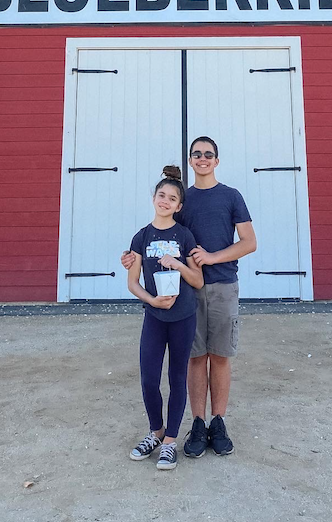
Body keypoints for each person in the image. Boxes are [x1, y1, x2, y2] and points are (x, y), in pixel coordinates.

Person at [123, 137, 256, 458]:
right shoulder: (184, 199)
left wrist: (212, 257)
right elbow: (162, 238)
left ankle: (218, 420)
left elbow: (249, 242)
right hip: (187, 293)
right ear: (191, 160)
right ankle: (197, 422)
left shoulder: (231, 196)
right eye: (197, 154)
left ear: (217, 160)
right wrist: (132, 257)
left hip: (223, 286)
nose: (202, 159)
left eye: (208, 154)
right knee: (195, 358)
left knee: (220, 355)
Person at [126, 165, 204, 471]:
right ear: (154, 198)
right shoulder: (141, 236)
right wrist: (152, 300)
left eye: (172, 198)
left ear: (179, 206)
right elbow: (132, 282)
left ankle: (170, 441)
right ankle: (155, 431)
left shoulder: (185, 235)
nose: (165, 201)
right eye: (162, 195)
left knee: (176, 378)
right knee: (148, 377)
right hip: (154, 317)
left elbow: (197, 281)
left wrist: (179, 264)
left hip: (184, 317)